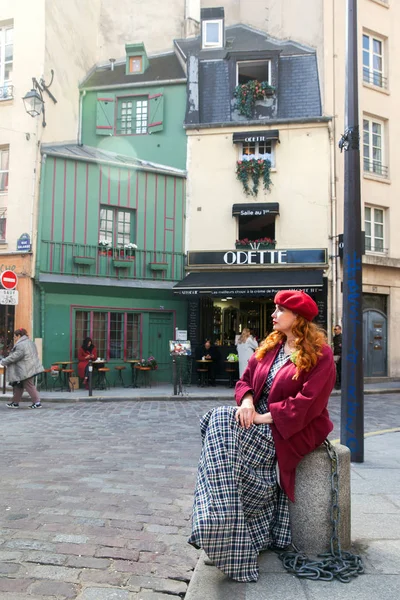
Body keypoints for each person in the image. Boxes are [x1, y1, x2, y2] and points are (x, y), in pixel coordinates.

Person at [188, 290, 336, 582]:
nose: (273, 314)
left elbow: (310, 402)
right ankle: (219, 520)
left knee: (218, 420)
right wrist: (247, 402)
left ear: (298, 318)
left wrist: (264, 417)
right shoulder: (270, 347)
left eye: (280, 310)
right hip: (257, 421)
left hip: (290, 426)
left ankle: (215, 521)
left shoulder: (321, 355)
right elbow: (244, 381)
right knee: (220, 421)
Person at [2, 328, 44, 409]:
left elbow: (15, 356)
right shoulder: (29, 342)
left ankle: (37, 402)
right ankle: (15, 402)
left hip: (25, 369)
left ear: (19, 335)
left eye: (15, 336)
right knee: (19, 385)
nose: (14, 338)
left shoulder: (21, 344)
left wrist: (4, 361)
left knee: (29, 385)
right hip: (28, 367)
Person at [333, 324, 342, 389]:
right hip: (336, 355)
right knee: (337, 370)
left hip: (341, 355)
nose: (335, 331)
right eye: (334, 329)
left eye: (336, 329)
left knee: (340, 370)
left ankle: (340, 384)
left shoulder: (342, 337)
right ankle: (337, 383)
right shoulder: (334, 338)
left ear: (340, 330)